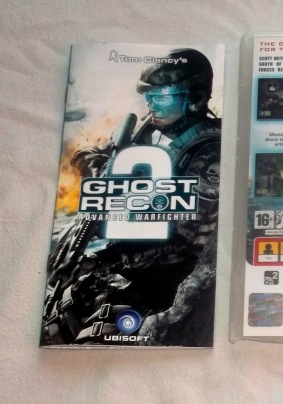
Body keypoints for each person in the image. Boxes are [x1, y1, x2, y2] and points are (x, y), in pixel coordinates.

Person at [42, 48, 221, 346]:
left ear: (197, 98)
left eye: (162, 95)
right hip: (121, 262)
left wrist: (102, 260)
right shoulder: (149, 127)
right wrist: (94, 164)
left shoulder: (209, 154)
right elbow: (97, 153)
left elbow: (178, 241)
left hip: (165, 280)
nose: (151, 103)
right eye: (149, 95)